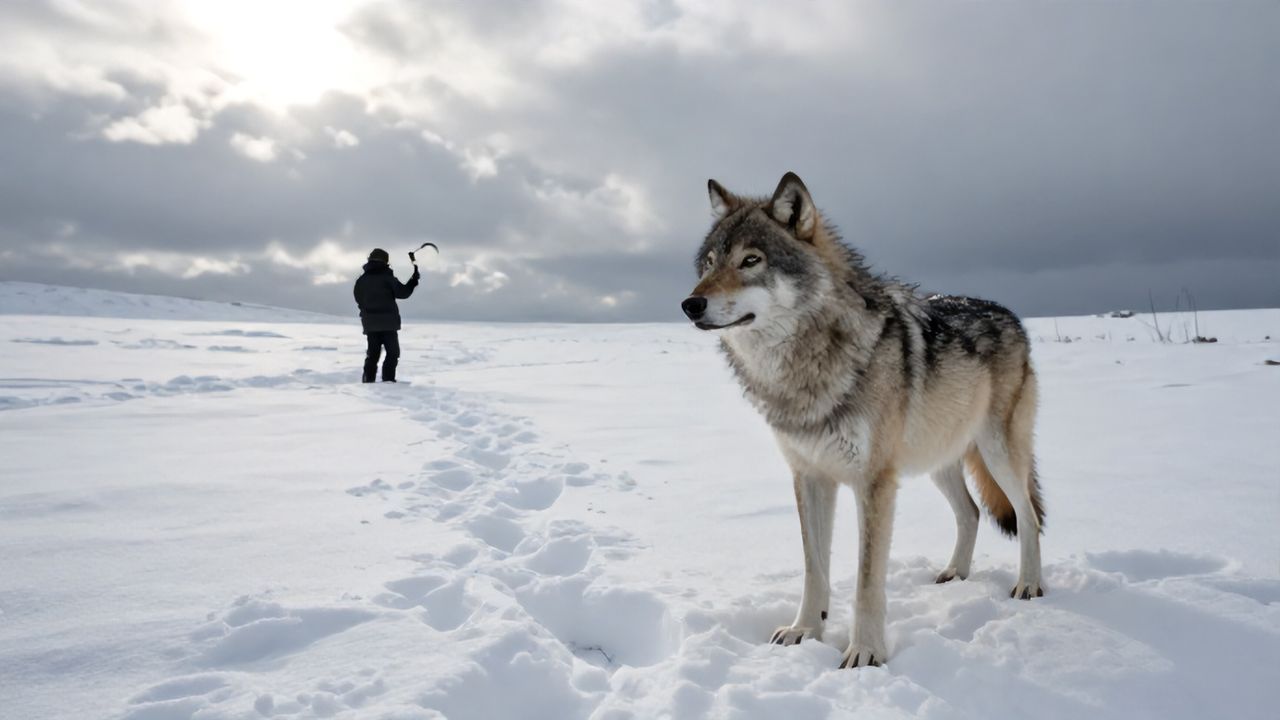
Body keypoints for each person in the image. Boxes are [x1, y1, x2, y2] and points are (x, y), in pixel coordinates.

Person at [353, 248, 420, 382]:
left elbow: (358, 298)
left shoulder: (361, 280)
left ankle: (368, 381)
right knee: (393, 353)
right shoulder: (387, 278)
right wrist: (413, 281)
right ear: (386, 261)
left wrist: (366, 312)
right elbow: (403, 293)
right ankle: (388, 382)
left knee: (373, 355)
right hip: (388, 323)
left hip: (370, 323)